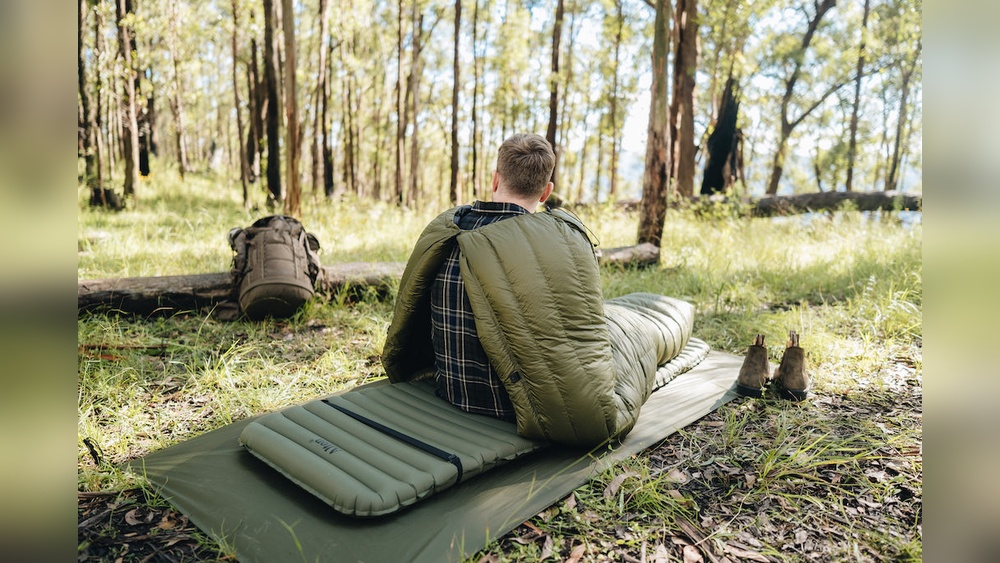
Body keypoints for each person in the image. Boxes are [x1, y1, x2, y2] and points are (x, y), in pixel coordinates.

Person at [382, 133, 698, 447]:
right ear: (546, 192)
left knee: (619, 318)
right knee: (633, 334)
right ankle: (682, 311)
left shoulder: (446, 233)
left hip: (452, 390)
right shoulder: (555, 243)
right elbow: (579, 338)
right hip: (519, 407)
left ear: (495, 180)